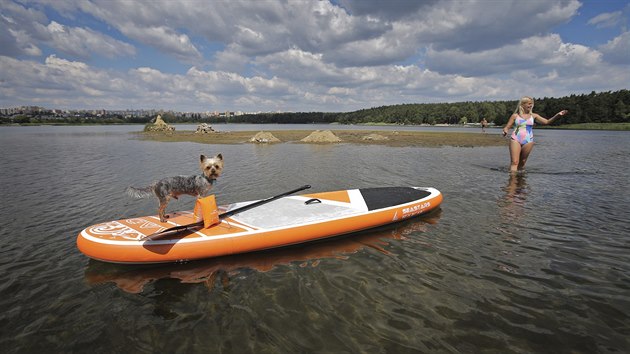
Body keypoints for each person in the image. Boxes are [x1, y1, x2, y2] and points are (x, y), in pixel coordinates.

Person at [502, 96, 568, 173]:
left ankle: (520, 181)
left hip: (528, 140)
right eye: (529, 104)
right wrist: (505, 131)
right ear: (523, 104)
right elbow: (507, 127)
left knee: (522, 163)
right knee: (515, 162)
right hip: (515, 139)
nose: (531, 105)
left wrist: (558, 115)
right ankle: (512, 182)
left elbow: (547, 122)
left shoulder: (534, 116)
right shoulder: (515, 116)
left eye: (532, 104)